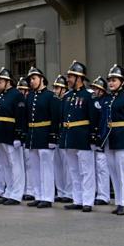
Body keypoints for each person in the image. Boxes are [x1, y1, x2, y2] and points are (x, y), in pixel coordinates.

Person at [99, 65, 124, 216]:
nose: (110, 83)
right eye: (109, 80)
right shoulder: (108, 99)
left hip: (123, 138)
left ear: (122, 82)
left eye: (114, 80)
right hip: (110, 138)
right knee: (114, 172)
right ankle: (119, 202)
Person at [61, 60, 97, 212]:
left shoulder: (89, 95)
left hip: (83, 137)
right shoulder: (67, 96)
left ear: (79, 78)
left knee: (86, 171)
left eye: (71, 76)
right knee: (74, 171)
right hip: (70, 137)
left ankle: (87, 201)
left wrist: (93, 136)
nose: (68, 79)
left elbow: (94, 117)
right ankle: (78, 199)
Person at [24, 66, 60, 208]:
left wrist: (52, 137)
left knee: (46, 168)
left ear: (41, 79)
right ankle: (38, 195)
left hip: (45, 135)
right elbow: (27, 117)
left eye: (33, 78)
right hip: (33, 136)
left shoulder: (51, 96)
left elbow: (55, 118)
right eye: (30, 79)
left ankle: (47, 197)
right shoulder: (31, 96)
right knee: (35, 168)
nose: (31, 82)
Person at [0, 68, 26, 206]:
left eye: (0, 81)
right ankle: (9, 191)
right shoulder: (0, 96)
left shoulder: (16, 95)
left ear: (8, 81)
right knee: (5, 164)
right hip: (0, 134)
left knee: (15, 164)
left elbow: (21, 116)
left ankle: (16, 194)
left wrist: (19, 134)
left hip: (11, 134)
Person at [89, 76, 112, 207]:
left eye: (96, 88)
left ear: (102, 90)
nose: (94, 91)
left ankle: (104, 195)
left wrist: (100, 139)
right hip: (93, 139)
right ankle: (97, 192)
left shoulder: (106, 101)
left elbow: (104, 122)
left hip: (102, 139)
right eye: (93, 88)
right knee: (95, 168)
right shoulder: (93, 100)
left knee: (102, 168)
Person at [52, 74, 72, 203]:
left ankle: (69, 192)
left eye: (57, 88)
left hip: (65, 135)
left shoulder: (67, 100)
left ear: (63, 90)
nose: (55, 90)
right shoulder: (55, 101)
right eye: (54, 88)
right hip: (57, 136)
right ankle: (60, 191)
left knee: (68, 166)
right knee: (57, 166)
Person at [17, 77, 34, 201]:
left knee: (30, 165)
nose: (21, 93)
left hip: (30, 136)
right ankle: (24, 189)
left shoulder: (29, 102)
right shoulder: (20, 103)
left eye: (23, 90)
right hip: (22, 137)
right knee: (22, 165)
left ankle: (31, 190)